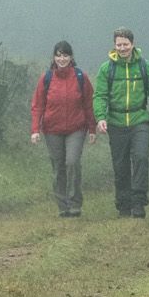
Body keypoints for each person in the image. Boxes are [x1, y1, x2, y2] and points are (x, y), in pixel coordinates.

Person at [94, 28, 149, 217]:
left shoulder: (144, 66)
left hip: (139, 120)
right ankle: (123, 205)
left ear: (132, 44)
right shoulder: (106, 68)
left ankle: (139, 203)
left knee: (141, 158)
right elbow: (100, 95)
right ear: (114, 45)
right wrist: (101, 117)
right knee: (121, 166)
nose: (122, 48)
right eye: (119, 44)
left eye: (125, 44)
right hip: (116, 122)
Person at [28, 40, 98, 217]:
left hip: (76, 128)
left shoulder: (81, 77)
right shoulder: (46, 78)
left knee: (72, 162)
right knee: (58, 167)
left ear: (71, 57)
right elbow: (37, 105)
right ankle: (63, 206)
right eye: (58, 55)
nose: (62, 59)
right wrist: (35, 130)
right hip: (52, 130)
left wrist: (92, 128)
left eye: (65, 55)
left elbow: (89, 104)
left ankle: (75, 204)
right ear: (53, 57)